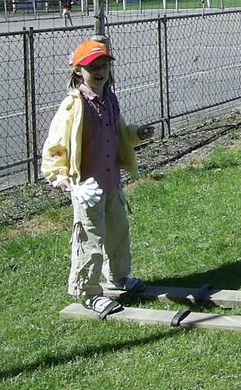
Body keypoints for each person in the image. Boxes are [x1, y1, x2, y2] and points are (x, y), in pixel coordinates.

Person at [41, 39, 155, 318]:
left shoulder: (110, 100)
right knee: (89, 239)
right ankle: (88, 291)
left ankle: (118, 277)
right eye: (93, 67)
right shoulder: (73, 106)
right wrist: (62, 179)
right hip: (87, 188)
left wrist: (135, 133)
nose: (100, 71)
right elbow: (55, 147)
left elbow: (117, 134)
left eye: (103, 65)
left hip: (111, 182)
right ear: (79, 70)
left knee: (117, 233)